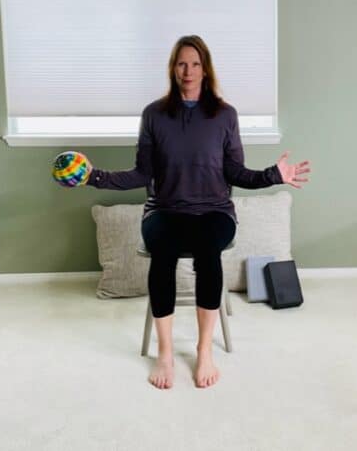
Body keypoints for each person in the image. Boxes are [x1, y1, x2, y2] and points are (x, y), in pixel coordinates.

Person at [85, 35, 311, 390]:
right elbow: (141, 174)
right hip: (165, 210)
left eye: (194, 63)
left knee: (208, 255)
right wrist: (93, 176)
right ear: (172, 69)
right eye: (181, 63)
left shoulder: (224, 115)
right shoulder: (154, 115)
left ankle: (204, 350)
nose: (187, 71)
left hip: (214, 211)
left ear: (205, 69)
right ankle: (164, 353)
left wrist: (273, 175)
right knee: (163, 253)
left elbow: (236, 172)